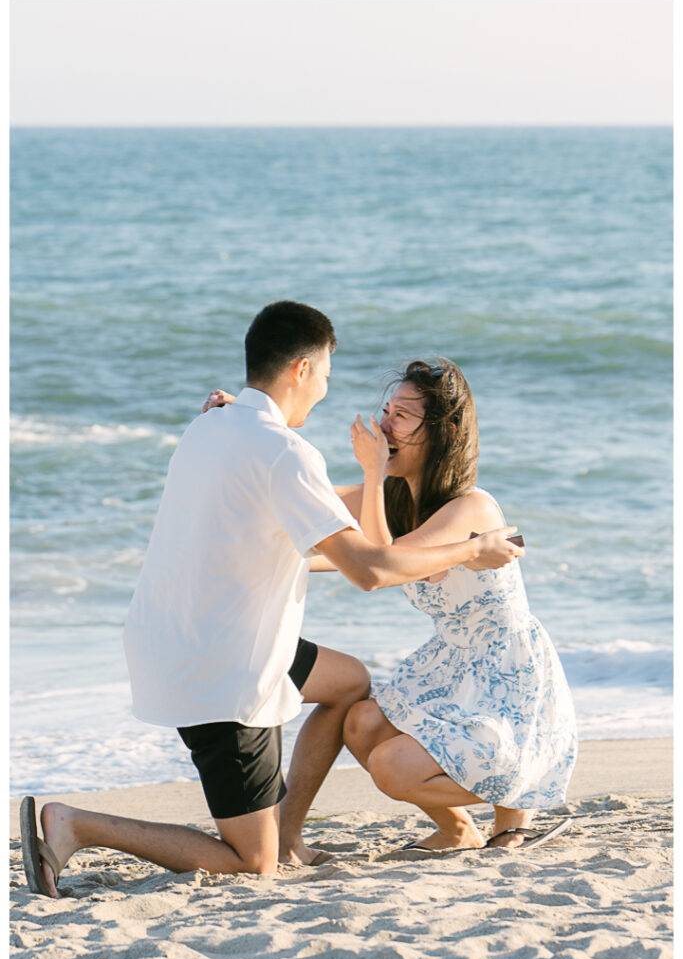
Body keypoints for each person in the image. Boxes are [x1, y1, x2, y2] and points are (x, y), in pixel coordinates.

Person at [21, 304, 522, 897]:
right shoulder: (284, 452)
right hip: (223, 668)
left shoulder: (211, 427)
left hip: (182, 636)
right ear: (303, 369)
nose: (330, 390)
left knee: (346, 682)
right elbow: (367, 569)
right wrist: (473, 548)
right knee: (251, 864)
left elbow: (318, 511)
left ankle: (289, 832)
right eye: (328, 374)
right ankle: (76, 824)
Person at [340, 359, 578, 853]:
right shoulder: (399, 498)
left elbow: (384, 565)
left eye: (401, 416)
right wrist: (255, 426)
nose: (385, 425)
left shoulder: (472, 508)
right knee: (361, 724)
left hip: (503, 675)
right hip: (448, 663)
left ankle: (514, 812)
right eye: (386, 410)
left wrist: (370, 468)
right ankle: (457, 829)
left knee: (391, 766)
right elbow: (309, 495)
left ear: (445, 430)